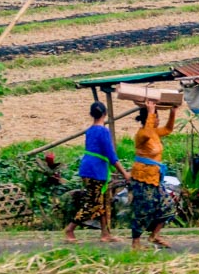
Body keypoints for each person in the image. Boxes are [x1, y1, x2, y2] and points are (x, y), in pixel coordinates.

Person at [64, 101, 130, 243]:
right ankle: (70, 229)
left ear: (91, 115)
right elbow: (111, 155)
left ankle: (105, 234)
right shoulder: (103, 131)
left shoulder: (90, 130)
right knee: (93, 204)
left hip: (89, 168)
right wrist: (125, 173)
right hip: (95, 171)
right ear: (105, 114)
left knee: (105, 202)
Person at [130, 98, 177, 250]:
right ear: (149, 118)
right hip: (142, 179)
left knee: (168, 206)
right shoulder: (142, 134)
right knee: (143, 210)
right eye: (156, 117)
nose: (157, 120)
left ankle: (154, 235)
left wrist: (172, 113)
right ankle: (135, 243)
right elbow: (148, 132)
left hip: (154, 179)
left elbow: (168, 130)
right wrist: (151, 112)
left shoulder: (155, 133)